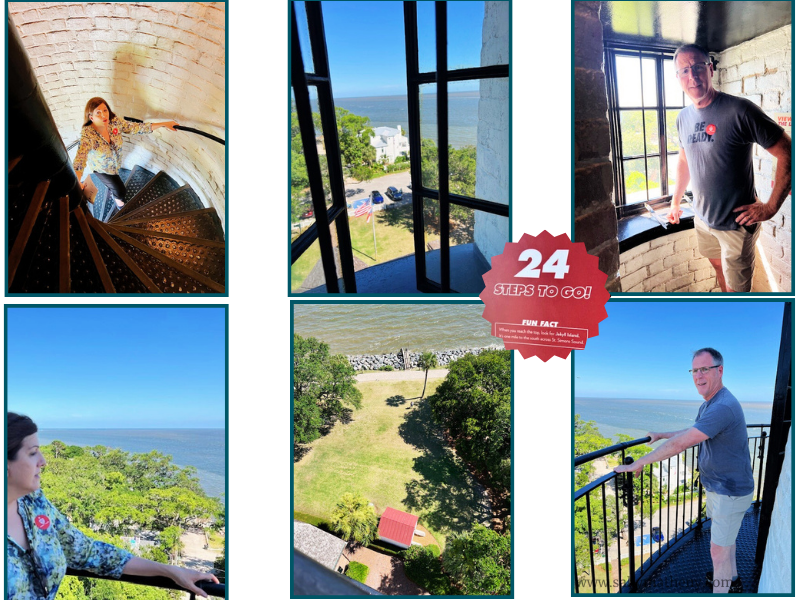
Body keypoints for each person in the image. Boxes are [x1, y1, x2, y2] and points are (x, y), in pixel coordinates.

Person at [6, 413, 219, 599]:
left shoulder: (34, 503)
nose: (43, 461)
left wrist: (170, 571)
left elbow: (89, 552)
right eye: (33, 452)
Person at [614, 348, 753, 593]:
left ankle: (722, 591)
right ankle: (733, 581)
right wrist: (660, 435)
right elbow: (690, 432)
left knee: (717, 551)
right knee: (726, 544)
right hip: (721, 488)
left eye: (704, 369)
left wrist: (640, 463)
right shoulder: (711, 403)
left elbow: (681, 444)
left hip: (729, 492)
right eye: (694, 370)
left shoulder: (723, 406)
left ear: (719, 370)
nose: (698, 375)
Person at [667, 43, 792, 293]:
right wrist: (675, 201)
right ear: (678, 77)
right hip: (703, 219)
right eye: (684, 71)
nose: (692, 76)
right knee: (716, 266)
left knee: (738, 292)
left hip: (737, 226)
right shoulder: (683, 118)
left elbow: (788, 152)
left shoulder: (740, 110)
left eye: (698, 67)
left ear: (710, 69)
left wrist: (770, 207)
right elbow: (684, 159)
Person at [72, 97, 179, 208]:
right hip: (102, 169)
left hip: (116, 164)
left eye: (105, 110)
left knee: (114, 185)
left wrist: (163, 124)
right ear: (91, 117)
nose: (104, 115)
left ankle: (112, 190)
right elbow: (80, 158)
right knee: (120, 190)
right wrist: (77, 181)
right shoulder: (88, 135)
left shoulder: (114, 122)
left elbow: (136, 127)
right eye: (98, 112)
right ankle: (120, 204)